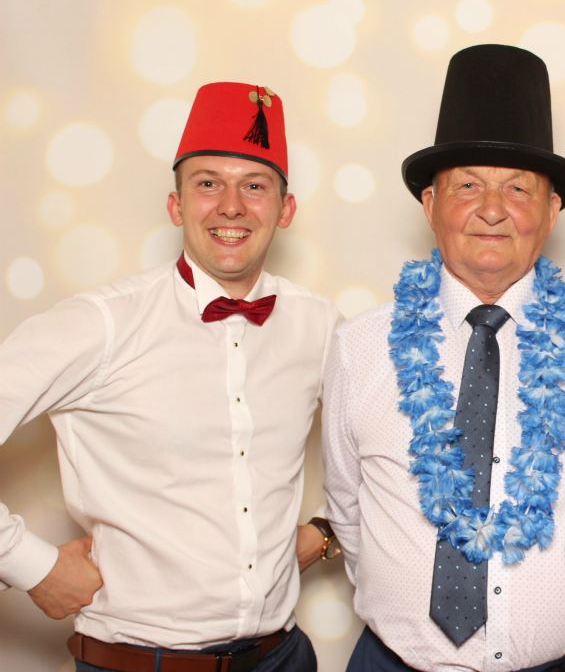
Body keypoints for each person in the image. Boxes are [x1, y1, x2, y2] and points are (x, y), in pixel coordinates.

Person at [0, 82, 341, 671]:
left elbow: (389, 445)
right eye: (208, 183)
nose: (231, 206)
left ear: (285, 210)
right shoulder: (100, 324)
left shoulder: (319, 324)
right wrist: (31, 565)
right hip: (138, 662)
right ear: (176, 205)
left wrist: (328, 529)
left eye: (254, 185)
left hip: (283, 657)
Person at [321, 44, 565, 671]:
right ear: (430, 205)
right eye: (467, 186)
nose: (492, 209)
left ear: (552, 210)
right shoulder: (357, 347)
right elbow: (348, 510)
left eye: (518, 188)